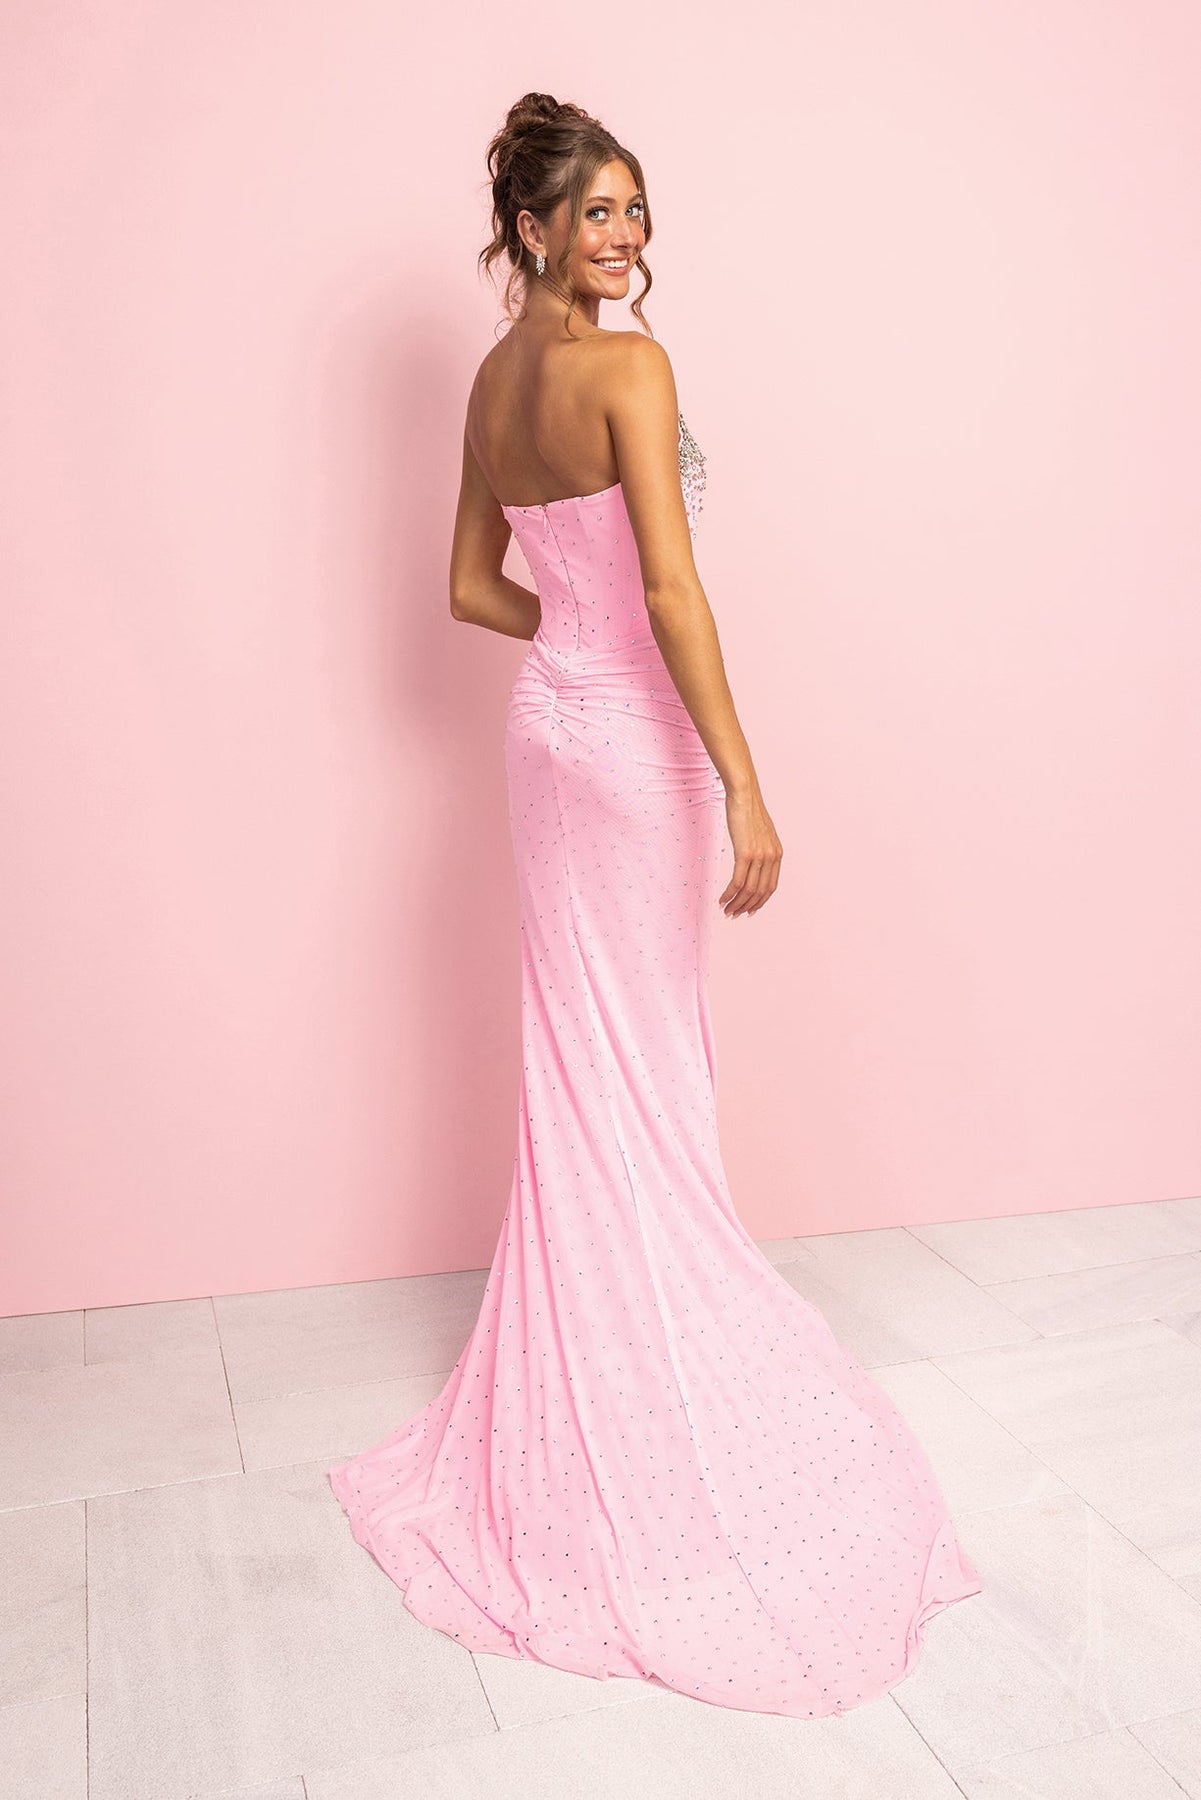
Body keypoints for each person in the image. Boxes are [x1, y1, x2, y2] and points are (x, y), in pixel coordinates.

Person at [327, 91, 982, 1719]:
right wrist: (742, 780)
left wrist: (573, 631)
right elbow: (674, 589)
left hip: (545, 737)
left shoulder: (492, 380)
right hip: (632, 747)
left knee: (586, 1067)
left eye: (635, 209)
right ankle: (663, 1385)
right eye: (597, 211)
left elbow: (471, 585)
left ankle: (594, 1359)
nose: (623, 236)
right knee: (647, 1068)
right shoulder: (627, 368)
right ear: (532, 226)